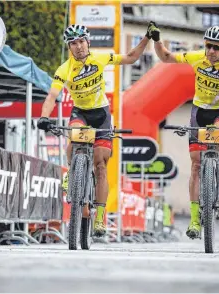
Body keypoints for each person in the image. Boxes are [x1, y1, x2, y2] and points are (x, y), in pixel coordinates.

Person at [37, 23, 159, 237]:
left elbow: (130, 58)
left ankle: (100, 217)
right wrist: (44, 118)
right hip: (80, 113)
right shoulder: (64, 69)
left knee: (101, 166)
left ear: (88, 42)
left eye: (81, 41)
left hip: (101, 114)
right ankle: (71, 172)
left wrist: (146, 38)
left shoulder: (101, 58)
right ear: (69, 47)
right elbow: (51, 97)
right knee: (74, 136)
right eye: (73, 43)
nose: (78, 46)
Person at [149, 23, 219, 239]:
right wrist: (157, 40)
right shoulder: (197, 57)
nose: (211, 51)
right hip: (199, 111)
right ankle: (194, 220)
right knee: (196, 165)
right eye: (208, 46)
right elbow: (167, 57)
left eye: (216, 48)